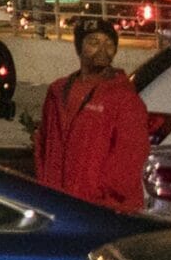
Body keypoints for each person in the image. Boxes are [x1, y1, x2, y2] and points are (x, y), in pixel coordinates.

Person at [35, 22, 151, 212]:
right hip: (56, 203)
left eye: (109, 44)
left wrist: (101, 197)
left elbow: (131, 156)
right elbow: (43, 144)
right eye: (94, 42)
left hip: (100, 210)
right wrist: (44, 185)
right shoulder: (57, 91)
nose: (103, 49)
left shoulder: (124, 98)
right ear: (79, 47)